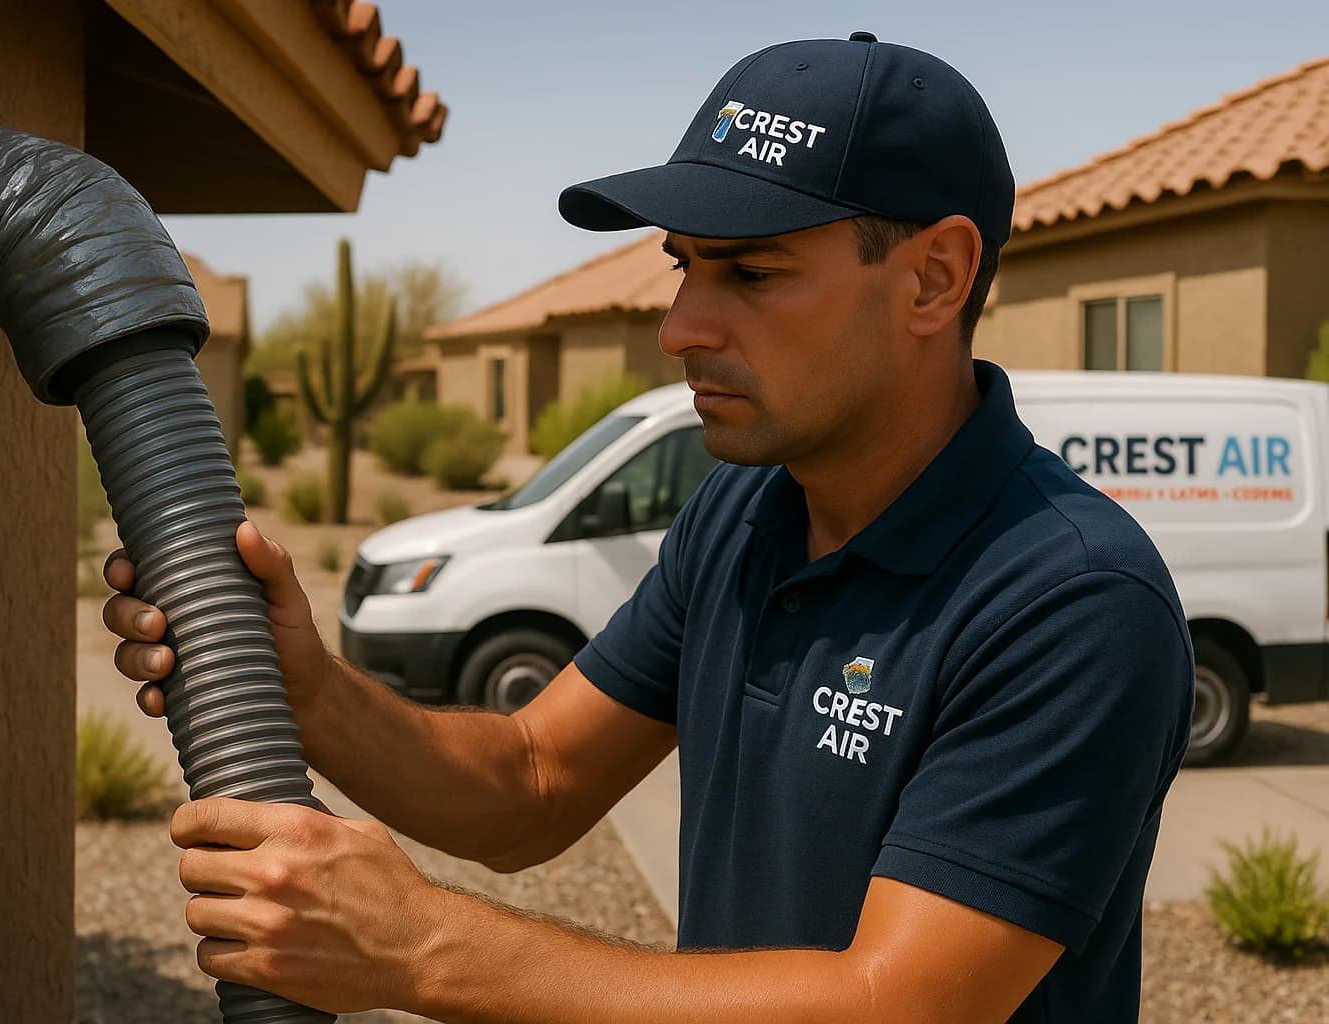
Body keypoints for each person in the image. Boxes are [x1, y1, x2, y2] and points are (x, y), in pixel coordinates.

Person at [100, 32, 1193, 1023]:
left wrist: (421, 943)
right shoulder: (746, 513)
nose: (678, 327)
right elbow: (532, 779)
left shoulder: (1072, 598)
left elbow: (894, 1001)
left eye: (751, 273)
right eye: (684, 264)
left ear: (934, 279)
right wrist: (313, 692)